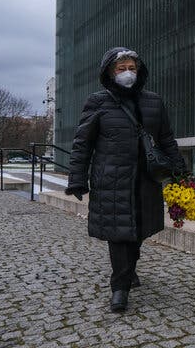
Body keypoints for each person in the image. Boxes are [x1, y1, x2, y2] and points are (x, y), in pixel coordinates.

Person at [65, 47, 186, 312]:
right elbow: (82, 143)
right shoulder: (97, 102)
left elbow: (166, 139)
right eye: (121, 69)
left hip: (145, 180)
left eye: (132, 68)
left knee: (138, 232)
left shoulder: (153, 101)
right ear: (110, 73)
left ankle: (129, 270)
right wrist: (76, 178)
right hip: (112, 180)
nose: (127, 73)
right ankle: (120, 288)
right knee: (119, 235)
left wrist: (180, 171)